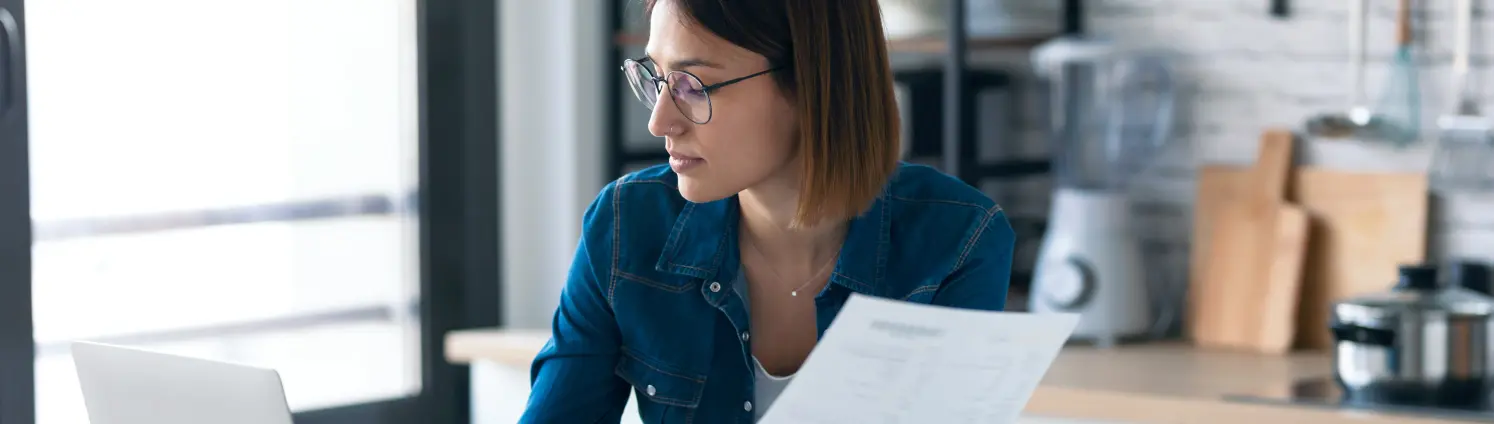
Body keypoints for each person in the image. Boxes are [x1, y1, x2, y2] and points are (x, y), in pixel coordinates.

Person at [521, 0, 1015, 422]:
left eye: (693, 85)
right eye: (655, 77)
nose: (659, 121)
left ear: (813, 84)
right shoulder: (628, 224)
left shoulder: (959, 240)